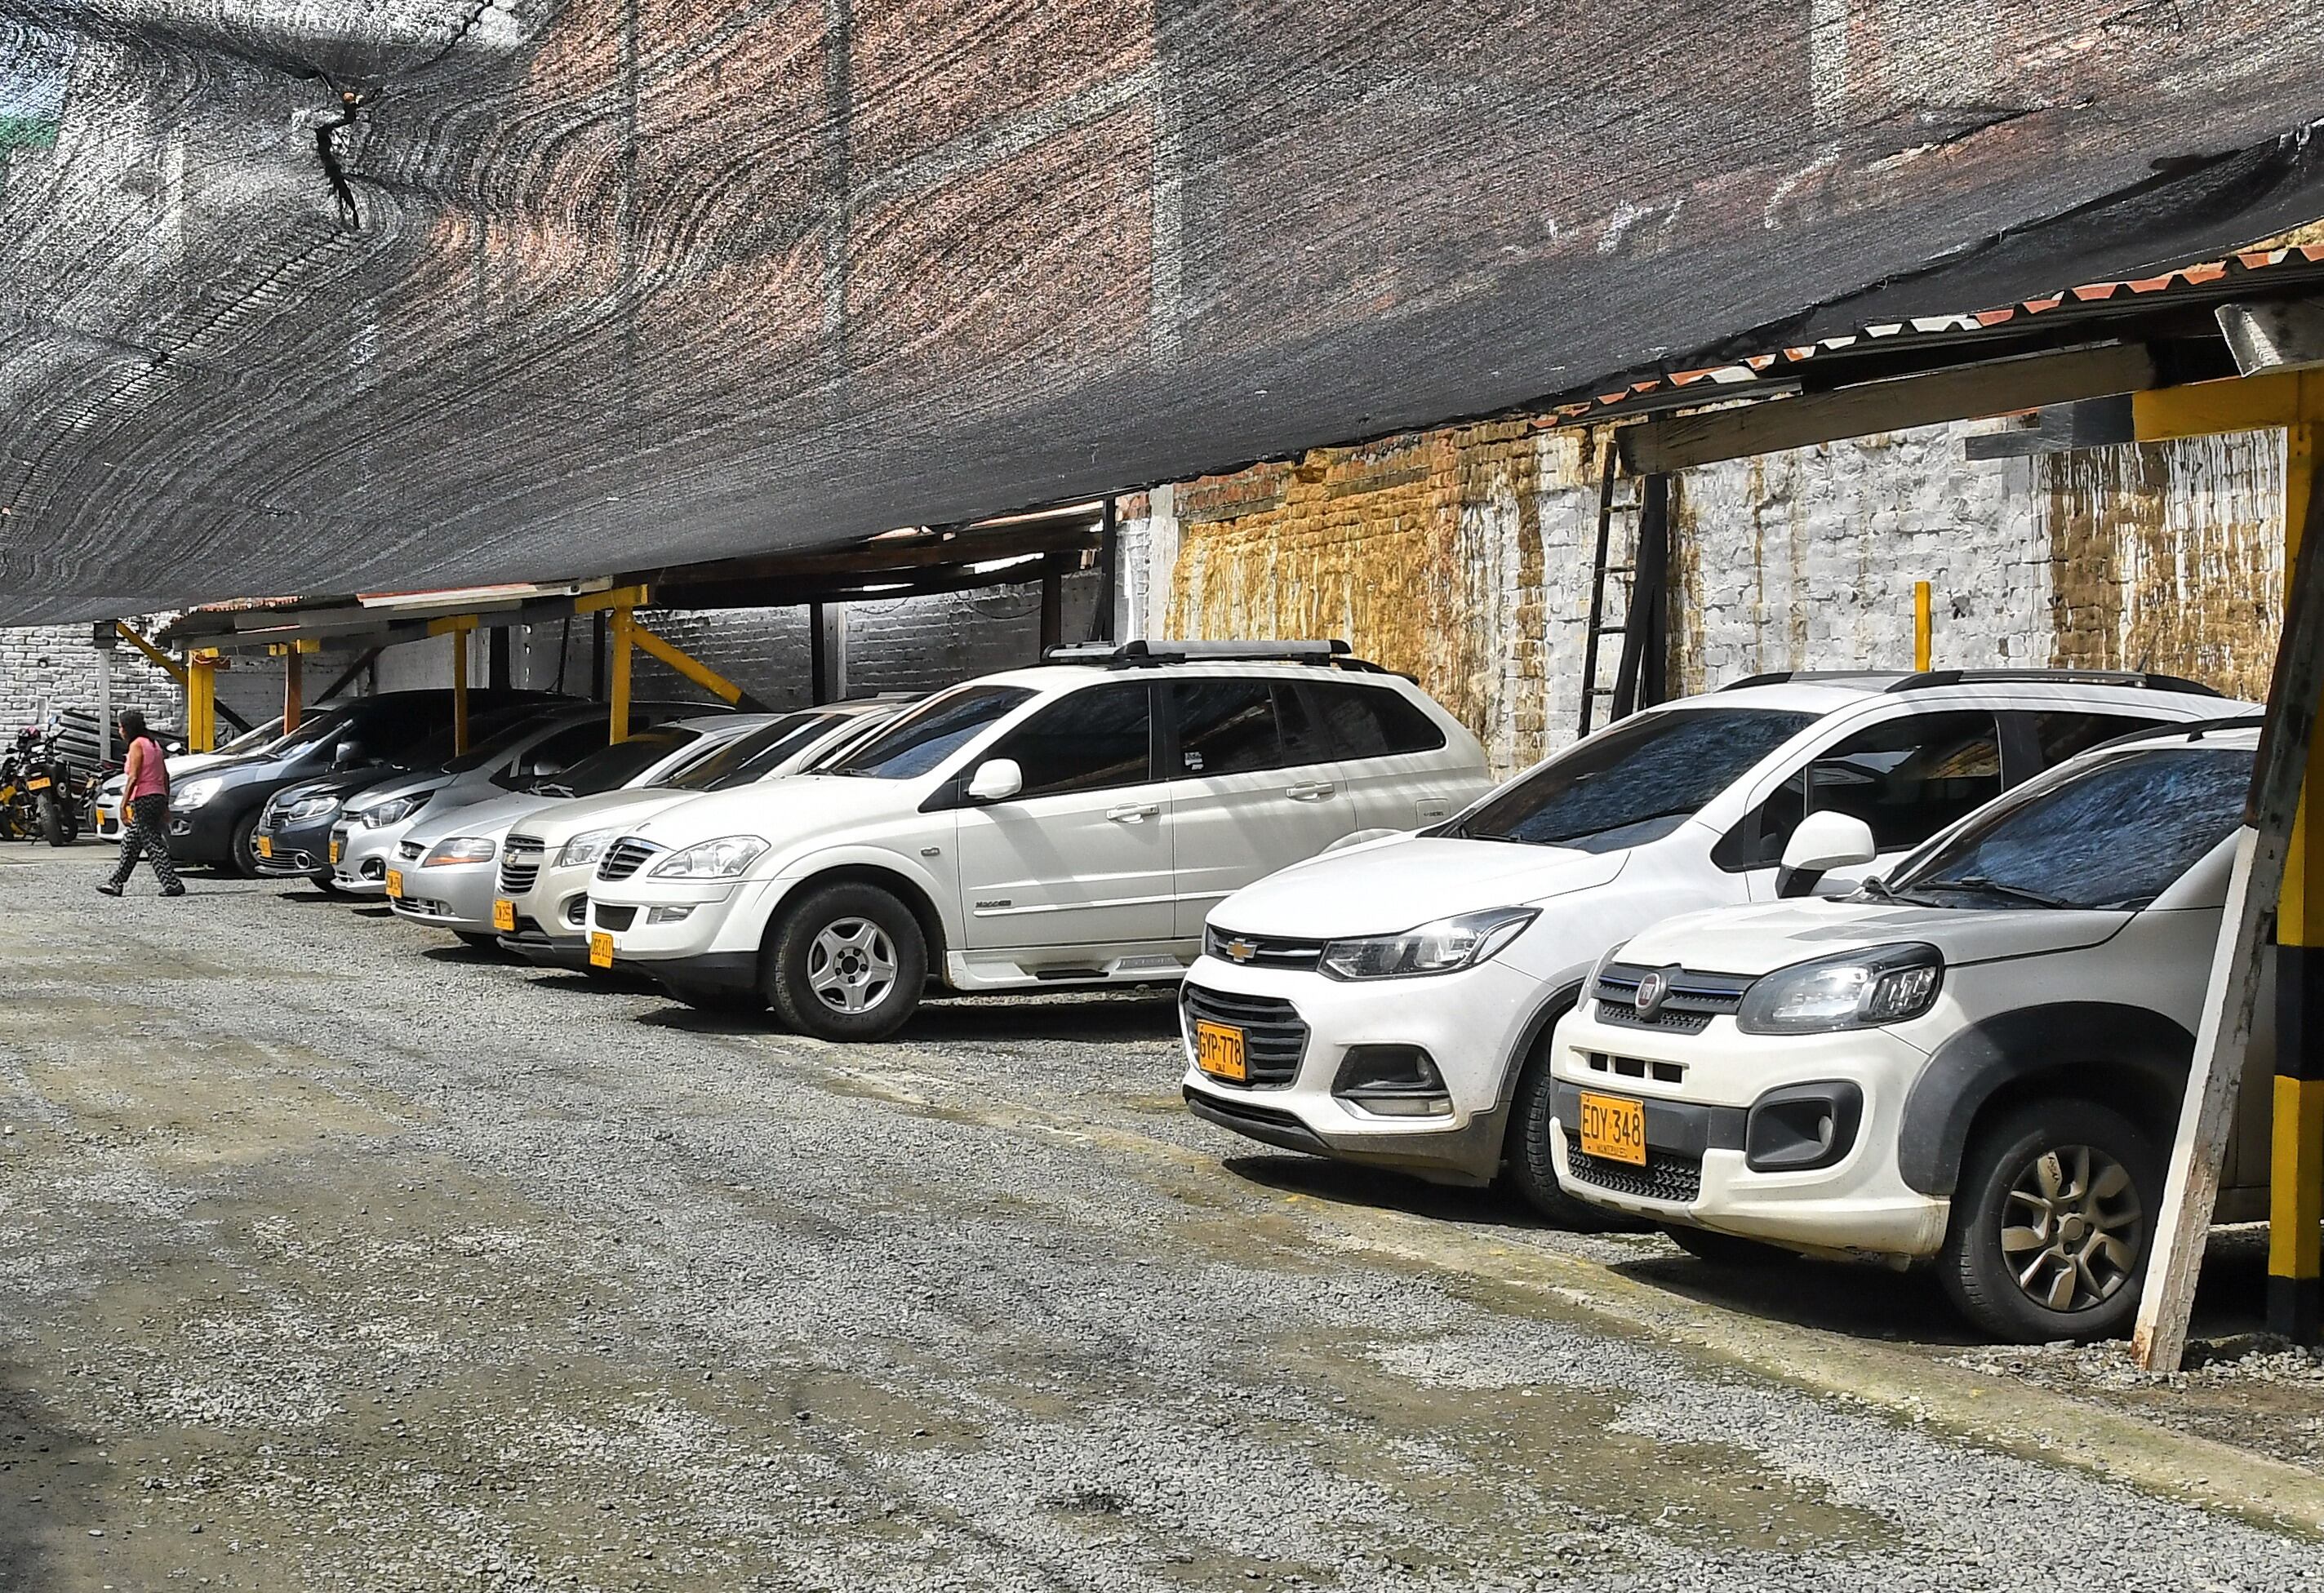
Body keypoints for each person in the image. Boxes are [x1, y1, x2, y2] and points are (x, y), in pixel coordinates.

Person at [100, 708, 183, 898]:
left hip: (144, 798)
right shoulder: (154, 745)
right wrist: (165, 803)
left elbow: (134, 777)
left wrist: (123, 804)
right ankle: (116, 883)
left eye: (121, 727)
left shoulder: (137, 745)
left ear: (128, 729)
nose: (120, 731)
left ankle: (172, 884)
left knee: (152, 843)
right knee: (131, 842)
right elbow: (165, 776)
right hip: (158, 796)